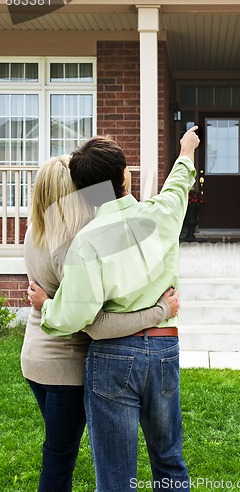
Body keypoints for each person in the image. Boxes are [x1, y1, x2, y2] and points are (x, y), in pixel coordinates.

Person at [28, 126, 200, 491]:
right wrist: (186, 149)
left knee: (117, 475)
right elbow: (178, 183)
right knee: (169, 459)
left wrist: (47, 307)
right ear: (126, 176)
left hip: (112, 358)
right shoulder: (163, 213)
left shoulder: (86, 243)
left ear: (83, 191)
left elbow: (76, 318)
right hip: (165, 346)